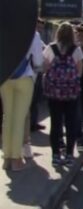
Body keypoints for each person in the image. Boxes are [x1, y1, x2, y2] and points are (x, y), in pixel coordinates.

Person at [1, 28, 44, 171]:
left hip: (5, 78)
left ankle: (7, 158)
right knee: (19, 119)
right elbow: (38, 60)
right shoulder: (33, 34)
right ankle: (16, 159)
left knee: (7, 118)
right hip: (25, 77)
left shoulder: (4, 30)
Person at [42, 22, 83, 167]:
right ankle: (69, 155)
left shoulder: (50, 48)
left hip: (54, 92)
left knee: (55, 123)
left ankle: (55, 155)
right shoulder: (76, 50)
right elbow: (80, 72)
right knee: (70, 123)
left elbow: (45, 68)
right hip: (71, 93)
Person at [30, 19, 46, 132]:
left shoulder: (38, 38)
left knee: (35, 100)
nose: (39, 30)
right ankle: (31, 124)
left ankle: (34, 122)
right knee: (32, 100)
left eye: (41, 28)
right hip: (32, 73)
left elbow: (45, 48)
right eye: (38, 27)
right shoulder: (34, 36)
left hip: (37, 73)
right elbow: (38, 59)